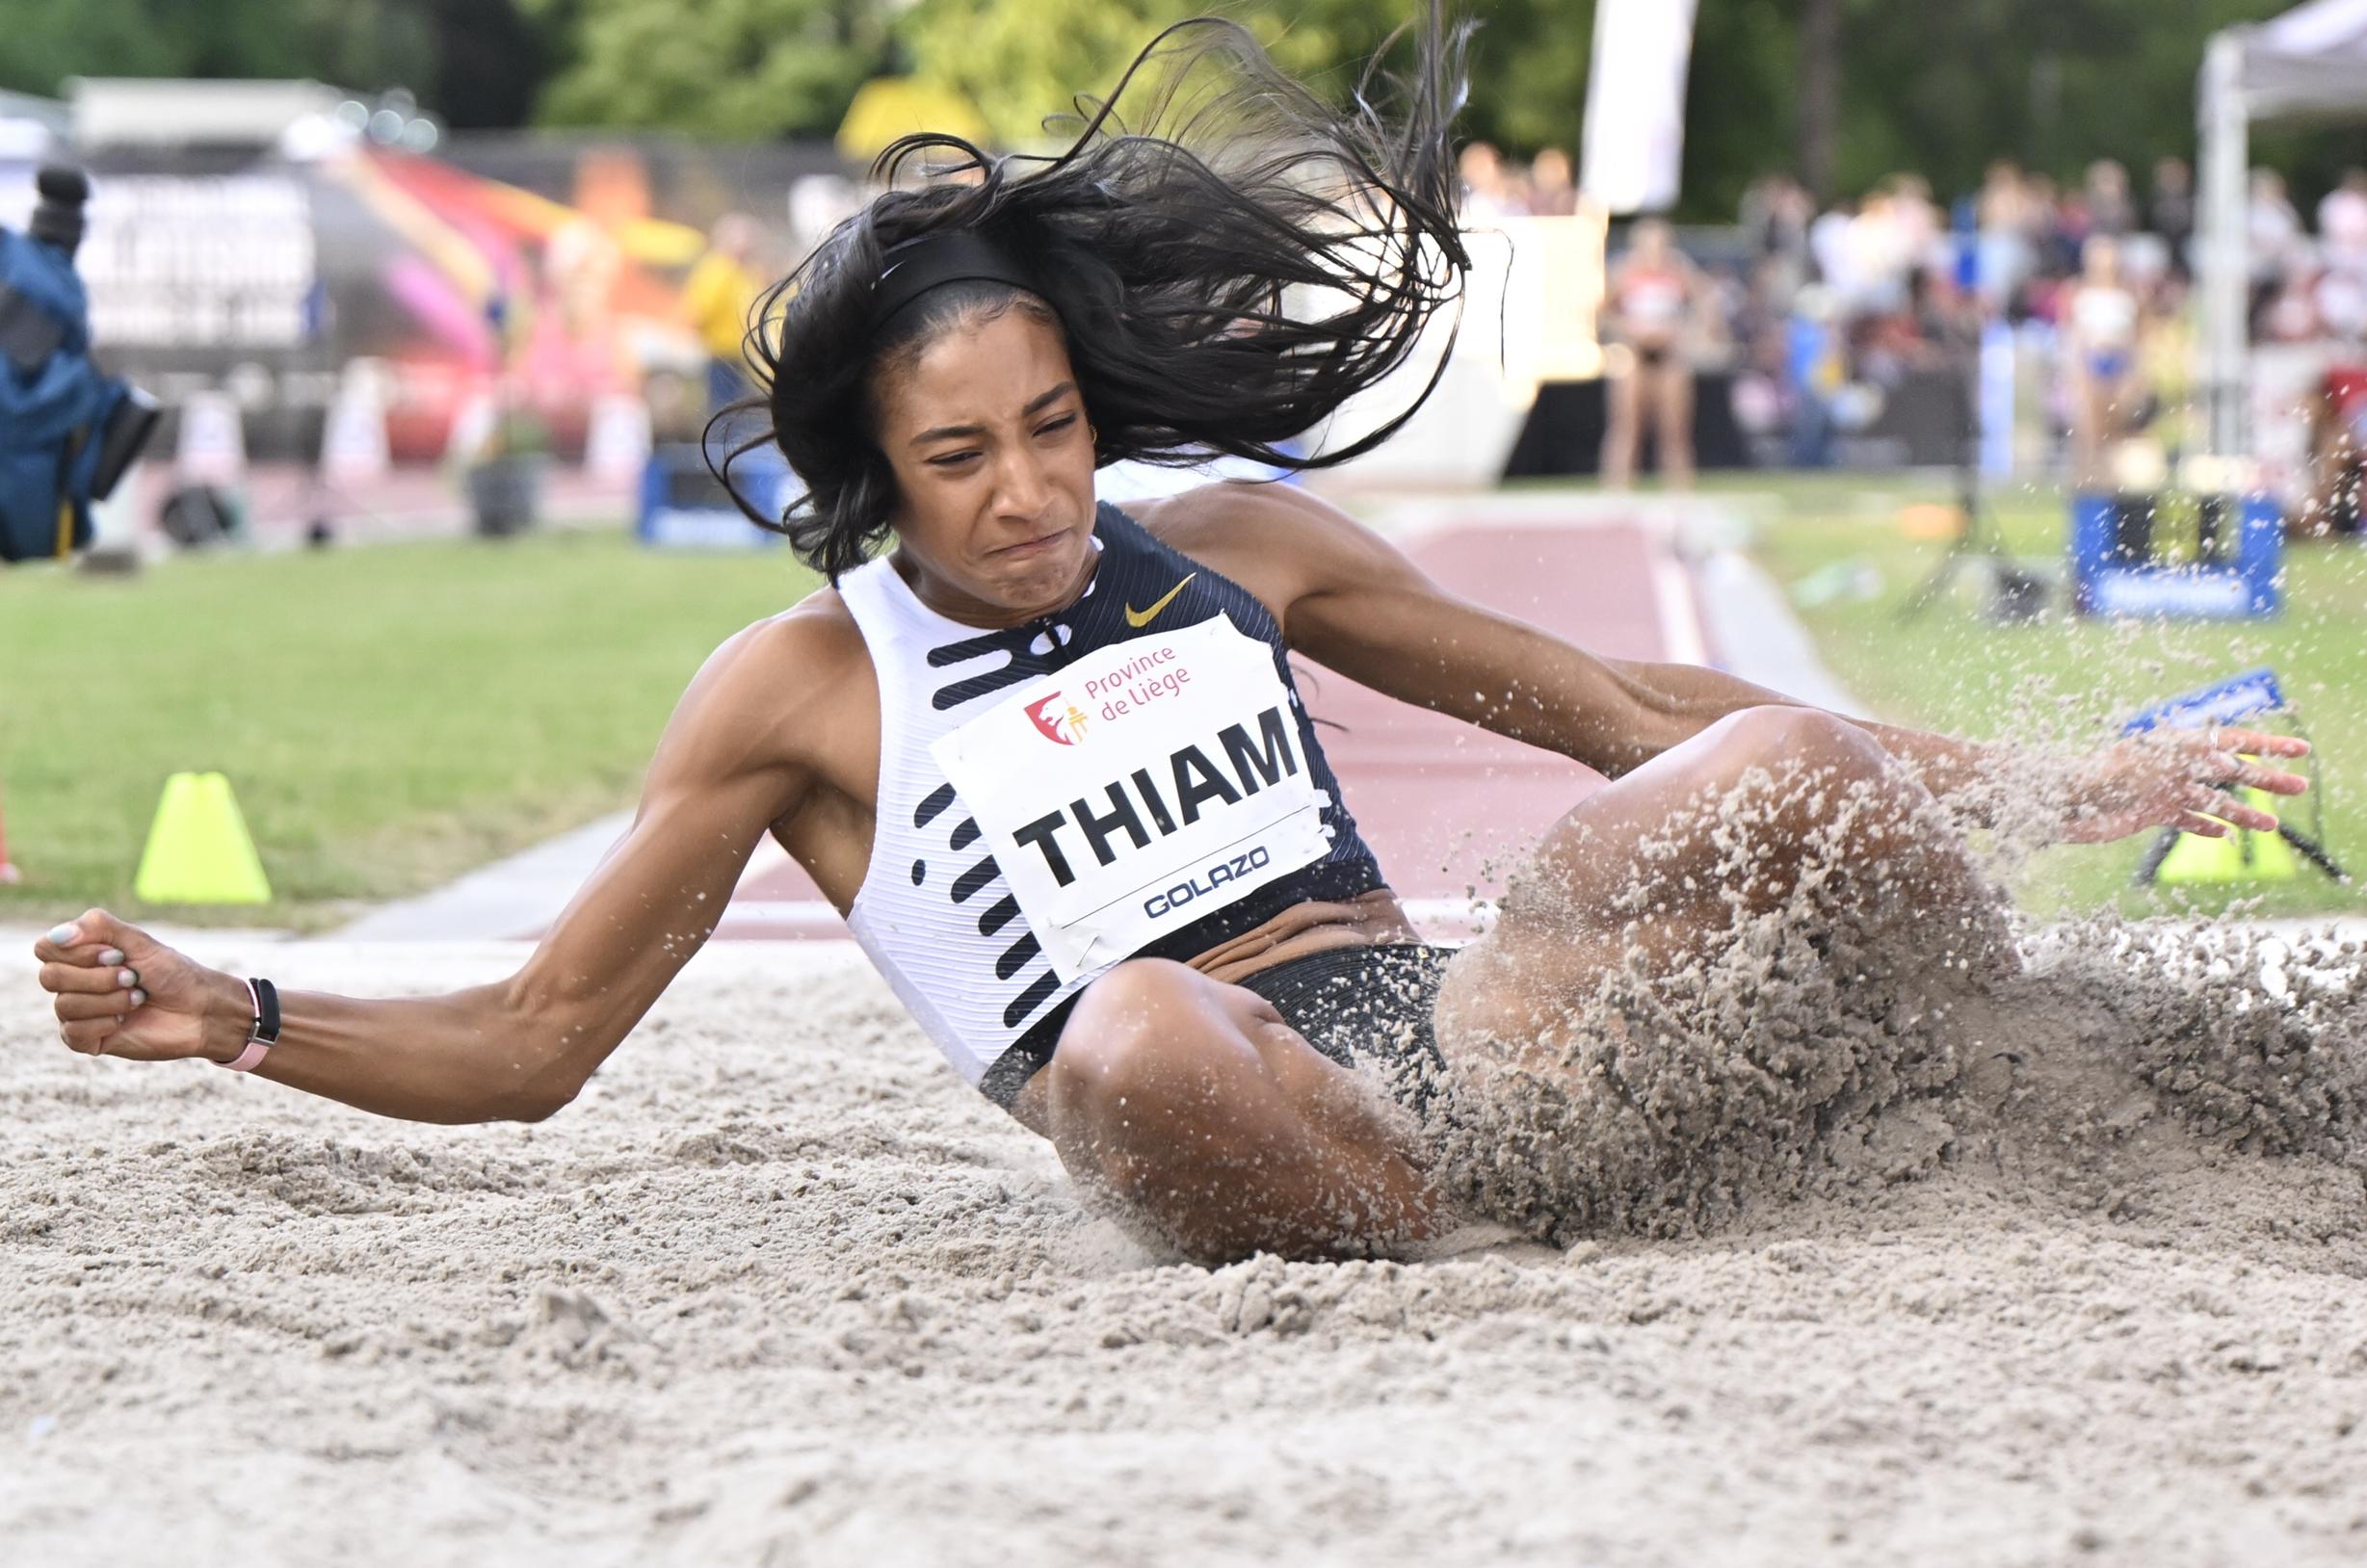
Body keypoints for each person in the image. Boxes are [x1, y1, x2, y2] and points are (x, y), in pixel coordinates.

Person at [33, 8, 2309, 1268]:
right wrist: (238, 1009)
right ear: (873, 470)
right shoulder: (800, 691)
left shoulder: (1232, 541)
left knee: (1762, 768)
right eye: (962, 457)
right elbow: (534, 1037)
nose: (1029, 492)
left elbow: (1628, 705)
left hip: (1483, 1029)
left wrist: (2042, 783)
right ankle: (1457, 1263)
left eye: (1053, 428)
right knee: (1129, 1028)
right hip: (1240, 1106)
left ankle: (2069, 1080)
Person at [1598, 217, 1707, 488]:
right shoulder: (1625, 271)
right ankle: (1617, 492)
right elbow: (1602, 315)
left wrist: (1681, 331)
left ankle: (1680, 494)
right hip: (1635, 355)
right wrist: (1631, 330)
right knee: (1626, 428)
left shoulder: (1679, 270)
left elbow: (1704, 306)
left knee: (1675, 430)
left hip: (1669, 357)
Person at [2065, 234, 2144, 484]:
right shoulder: (2078, 291)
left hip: (2118, 361)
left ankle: (2111, 482)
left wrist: (2135, 373)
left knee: (2116, 425)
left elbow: (2135, 338)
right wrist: (2076, 372)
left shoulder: (2128, 293)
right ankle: (2087, 480)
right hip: (2091, 361)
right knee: (2089, 427)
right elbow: (2074, 336)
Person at [681, 213, 765, 412]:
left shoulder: (742, 272)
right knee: (724, 407)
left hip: (738, 353)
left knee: (736, 406)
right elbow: (699, 311)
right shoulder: (716, 270)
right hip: (720, 353)